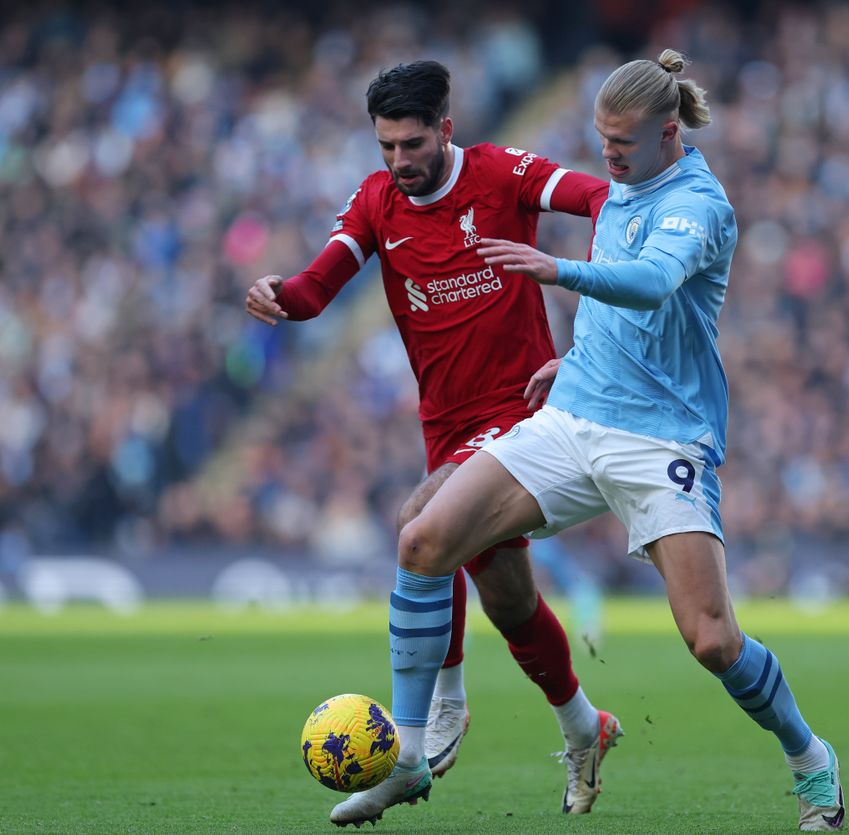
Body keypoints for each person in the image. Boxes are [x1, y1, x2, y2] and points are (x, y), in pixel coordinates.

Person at [349, 50, 847, 831]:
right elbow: (627, 309)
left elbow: (650, 282)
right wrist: (575, 359)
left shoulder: (697, 203)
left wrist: (556, 269)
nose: (607, 158)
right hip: (574, 417)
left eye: (622, 144)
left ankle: (810, 757)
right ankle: (409, 757)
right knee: (423, 539)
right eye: (601, 140)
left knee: (713, 641)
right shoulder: (622, 186)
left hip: (659, 440)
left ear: (669, 131)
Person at [243, 61, 622, 825]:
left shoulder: (502, 174)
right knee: (511, 602)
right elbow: (318, 289)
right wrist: (278, 294)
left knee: (421, 527)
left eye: (411, 144)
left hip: (522, 413)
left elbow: (601, 197)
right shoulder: (377, 201)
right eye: (385, 145)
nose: (397, 161)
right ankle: (586, 726)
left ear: (445, 129)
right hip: (446, 425)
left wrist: (597, 315)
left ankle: (425, 730)